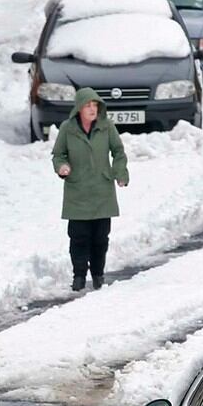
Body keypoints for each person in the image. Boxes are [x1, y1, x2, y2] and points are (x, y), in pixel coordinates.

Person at [52, 87, 129, 292]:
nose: (92, 109)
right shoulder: (67, 129)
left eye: (95, 105)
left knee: (100, 237)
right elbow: (58, 155)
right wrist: (62, 167)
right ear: (79, 108)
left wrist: (120, 173)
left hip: (102, 190)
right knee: (78, 236)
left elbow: (119, 152)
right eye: (88, 105)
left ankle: (97, 274)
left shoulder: (107, 127)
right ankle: (78, 275)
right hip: (77, 191)